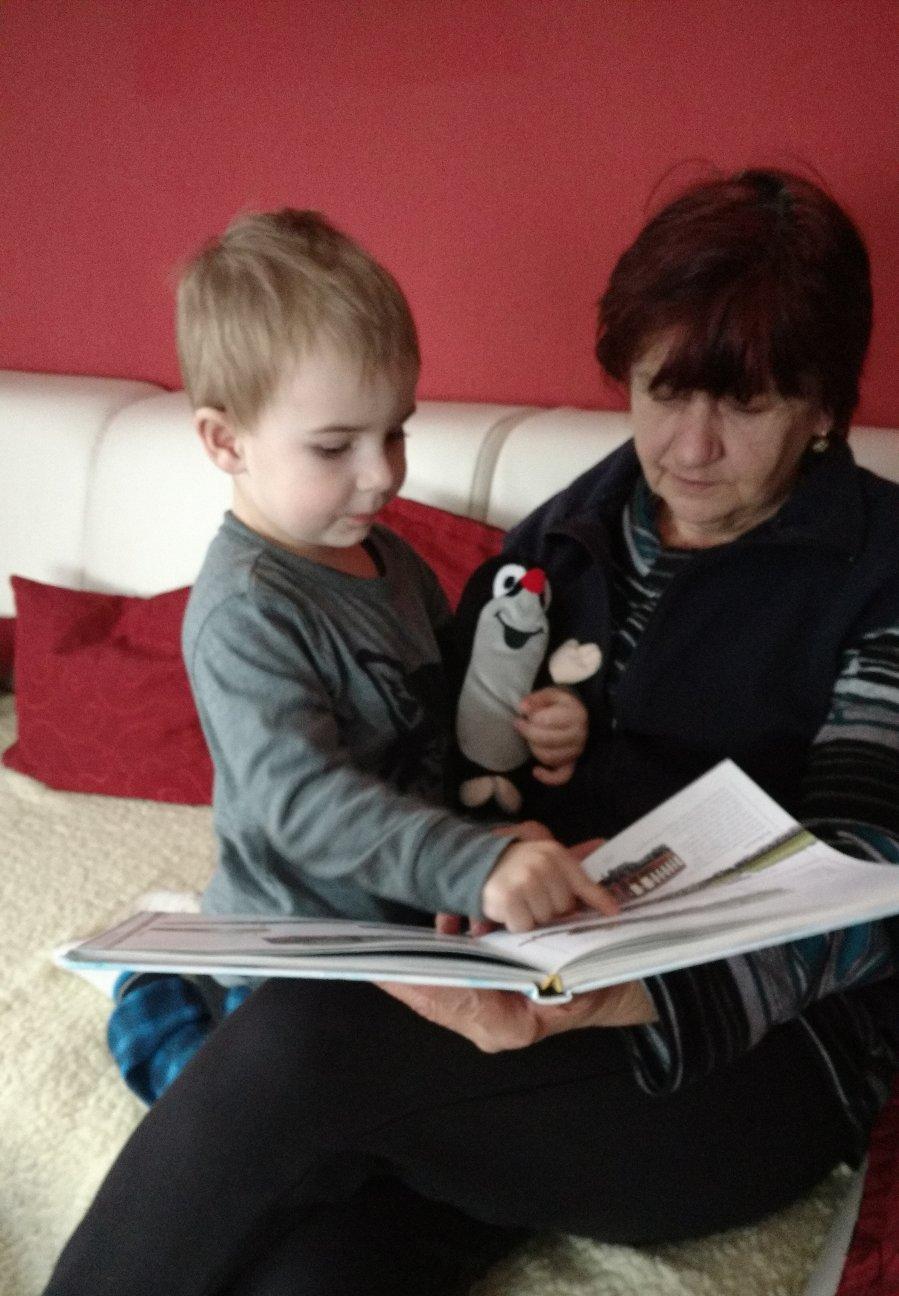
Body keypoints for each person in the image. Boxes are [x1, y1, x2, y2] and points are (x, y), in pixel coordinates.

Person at [2, 167, 899, 1296]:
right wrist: (484, 858)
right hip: (512, 1022)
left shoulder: (878, 572)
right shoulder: (566, 537)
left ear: (820, 405)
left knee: (303, 1038)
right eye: (662, 391)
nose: (688, 445)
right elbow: (456, 773)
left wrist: (618, 998)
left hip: (736, 1068)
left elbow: (868, 877)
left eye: (745, 405)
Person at [104, 208, 608, 1103]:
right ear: (225, 441)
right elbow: (303, 805)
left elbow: (451, 711)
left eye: (396, 432)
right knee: (252, 1101)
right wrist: (474, 864)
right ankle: (158, 988)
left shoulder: (390, 559)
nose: (382, 474)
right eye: (336, 446)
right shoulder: (245, 610)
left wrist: (537, 723)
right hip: (294, 947)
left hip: (409, 926)